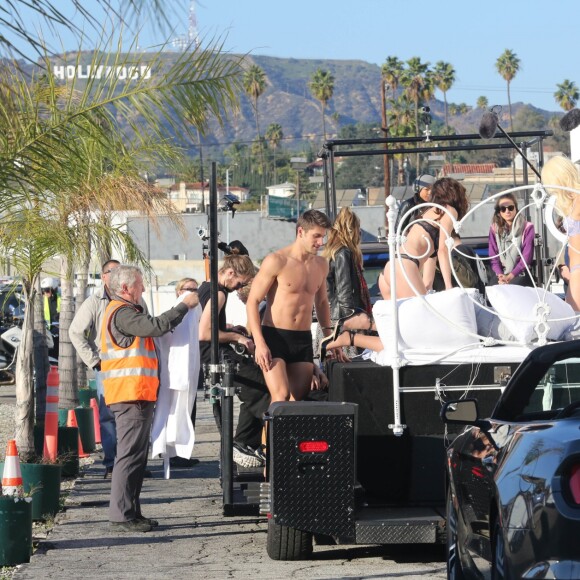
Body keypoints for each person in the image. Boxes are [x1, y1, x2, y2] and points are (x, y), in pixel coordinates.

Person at [101, 265, 199, 532]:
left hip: (137, 394)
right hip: (129, 395)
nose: (143, 289)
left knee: (136, 457)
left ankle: (131, 512)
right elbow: (156, 326)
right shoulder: (121, 314)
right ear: (125, 288)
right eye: (139, 285)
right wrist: (184, 306)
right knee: (130, 456)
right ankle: (122, 516)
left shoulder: (126, 311)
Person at [247, 209, 333, 403]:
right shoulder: (277, 261)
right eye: (316, 236)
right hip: (274, 336)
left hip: (302, 339)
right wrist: (259, 343)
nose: (320, 243)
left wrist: (329, 338)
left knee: (297, 400)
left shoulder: (321, 264)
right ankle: (268, 434)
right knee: (281, 397)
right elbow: (253, 301)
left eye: (323, 237)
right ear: (300, 232)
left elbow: (321, 303)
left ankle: (284, 434)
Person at [69, 260, 120, 479]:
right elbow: (75, 332)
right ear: (104, 276)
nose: (118, 275)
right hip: (107, 366)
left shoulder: (134, 297)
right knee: (108, 416)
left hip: (132, 366)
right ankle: (111, 464)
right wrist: (94, 361)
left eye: (121, 270)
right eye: (113, 272)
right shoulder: (95, 301)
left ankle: (130, 463)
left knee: (132, 416)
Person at [379, 177, 470, 300]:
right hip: (405, 267)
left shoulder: (428, 212)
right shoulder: (448, 210)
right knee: (424, 315)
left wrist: (428, 286)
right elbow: (442, 250)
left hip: (391, 267)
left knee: (402, 318)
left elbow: (430, 258)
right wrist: (449, 286)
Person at [151, 277, 201, 472]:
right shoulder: (175, 310)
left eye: (194, 289)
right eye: (187, 289)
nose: (191, 292)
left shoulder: (195, 311)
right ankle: (172, 452)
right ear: (178, 291)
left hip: (187, 370)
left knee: (186, 410)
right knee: (170, 410)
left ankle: (179, 452)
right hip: (174, 371)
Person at [322, 207, 372, 356]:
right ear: (352, 229)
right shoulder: (343, 253)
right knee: (351, 366)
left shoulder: (333, 251)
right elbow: (344, 291)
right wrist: (350, 320)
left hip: (334, 318)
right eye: (358, 228)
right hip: (344, 321)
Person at [542, 155, 580, 310]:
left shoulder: (578, 199)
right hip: (574, 268)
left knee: (574, 322)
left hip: (578, 267)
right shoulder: (574, 201)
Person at [488, 192, 535, 287]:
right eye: (503, 209)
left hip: (521, 272)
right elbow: (493, 257)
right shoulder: (494, 229)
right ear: (499, 212)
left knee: (514, 289)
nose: (507, 211)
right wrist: (500, 275)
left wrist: (510, 276)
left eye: (510, 208)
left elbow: (526, 258)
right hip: (501, 273)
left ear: (516, 208)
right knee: (490, 291)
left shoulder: (527, 227)